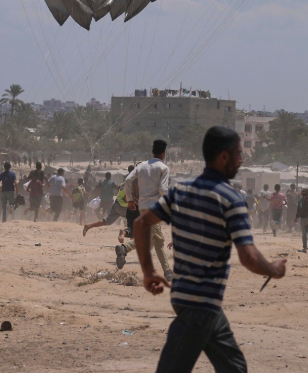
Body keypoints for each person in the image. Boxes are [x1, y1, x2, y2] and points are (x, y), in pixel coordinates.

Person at [134, 126, 286, 373]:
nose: (242, 159)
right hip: (199, 305)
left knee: (235, 368)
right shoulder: (231, 200)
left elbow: (141, 223)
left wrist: (148, 271)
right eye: (238, 153)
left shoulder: (180, 192)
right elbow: (248, 257)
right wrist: (274, 269)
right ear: (223, 157)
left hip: (197, 302)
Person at [117, 140, 172, 278]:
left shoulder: (141, 166)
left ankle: (167, 272)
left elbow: (128, 181)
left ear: (152, 151)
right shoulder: (163, 168)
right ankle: (125, 248)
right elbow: (163, 190)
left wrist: (130, 200)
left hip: (142, 207)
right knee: (156, 240)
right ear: (164, 153)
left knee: (154, 240)